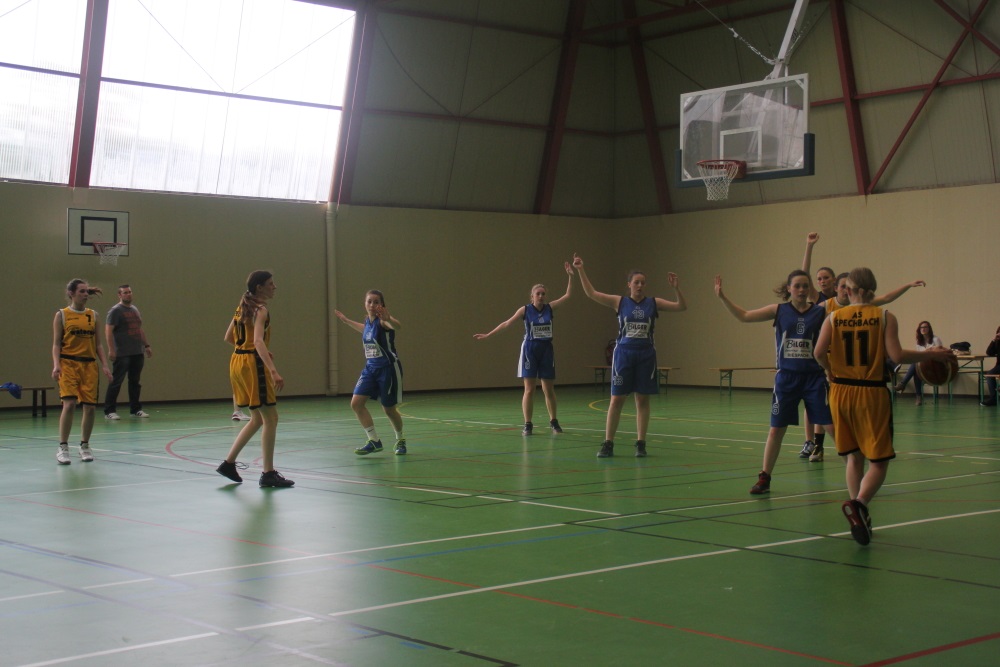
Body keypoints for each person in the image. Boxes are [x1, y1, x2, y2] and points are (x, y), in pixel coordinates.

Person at [814, 267, 954, 545]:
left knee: (853, 457)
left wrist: (829, 370)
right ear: (873, 290)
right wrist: (932, 354)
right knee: (878, 461)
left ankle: (860, 517)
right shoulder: (884, 316)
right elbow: (897, 355)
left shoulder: (833, 317)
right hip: (870, 393)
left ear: (849, 290)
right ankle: (860, 504)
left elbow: (818, 353)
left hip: (840, 391)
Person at [714, 271, 833, 492]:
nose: (801, 290)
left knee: (831, 427)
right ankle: (765, 477)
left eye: (805, 286)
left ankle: (854, 468)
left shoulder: (820, 313)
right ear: (788, 288)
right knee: (776, 430)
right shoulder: (779, 311)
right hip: (786, 378)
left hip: (814, 379)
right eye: (797, 286)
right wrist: (722, 297)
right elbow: (745, 316)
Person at [573, 254, 686, 458]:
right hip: (624, 354)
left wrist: (676, 288)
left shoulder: (653, 302)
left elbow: (681, 306)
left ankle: (641, 443)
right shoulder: (620, 302)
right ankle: (608, 443)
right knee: (616, 399)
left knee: (642, 400)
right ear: (629, 284)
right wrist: (581, 269)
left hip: (646, 354)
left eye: (643, 282)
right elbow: (591, 293)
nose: (640, 285)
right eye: (636, 282)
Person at [474, 262, 574, 435]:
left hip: (546, 350)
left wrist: (571, 276)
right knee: (529, 388)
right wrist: (489, 334)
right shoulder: (525, 310)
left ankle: (554, 421)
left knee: (548, 389)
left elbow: (568, 296)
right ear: (532, 296)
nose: (541, 296)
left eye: (543, 294)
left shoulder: (550, 308)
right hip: (530, 349)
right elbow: (507, 323)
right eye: (538, 294)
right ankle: (528, 424)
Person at [216, 271, 294, 487]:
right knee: (271, 418)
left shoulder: (242, 307)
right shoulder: (261, 310)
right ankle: (268, 473)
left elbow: (229, 337)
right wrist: (273, 370)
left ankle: (228, 463)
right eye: (271, 283)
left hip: (237, 362)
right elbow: (258, 342)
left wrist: (251, 348)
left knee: (257, 418)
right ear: (260, 287)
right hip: (252, 365)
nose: (275, 287)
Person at [335, 290, 406, 455]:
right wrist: (346, 321)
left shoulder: (383, 322)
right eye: (369, 301)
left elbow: (397, 326)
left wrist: (390, 319)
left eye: (376, 302)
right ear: (365, 304)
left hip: (388, 368)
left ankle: (400, 439)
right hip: (370, 369)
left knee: (388, 409)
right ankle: (374, 441)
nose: (372, 305)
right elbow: (364, 330)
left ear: (381, 305)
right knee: (356, 404)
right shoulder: (368, 322)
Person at [51, 279, 114, 464]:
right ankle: (63, 447)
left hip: (89, 365)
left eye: (87, 291)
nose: (86, 294)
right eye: (82, 291)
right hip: (68, 363)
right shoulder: (62, 315)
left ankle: (85, 445)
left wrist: (104, 365)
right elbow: (56, 344)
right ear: (71, 293)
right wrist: (56, 364)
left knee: (90, 407)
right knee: (69, 404)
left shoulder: (93, 315)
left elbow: (99, 344)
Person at [103, 284, 152, 420]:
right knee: (116, 381)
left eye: (130, 292)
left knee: (135, 382)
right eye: (125, 292)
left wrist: (146, 345)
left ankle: (135, 409)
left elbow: (138, 328)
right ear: (120, 295)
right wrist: (112, 350)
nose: (128, 294)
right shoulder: (115, 311)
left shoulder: (135, 309)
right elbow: (108, 331)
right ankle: (109, 410)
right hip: (122, 353)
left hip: (137, 351)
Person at [893, 321, 944, 405]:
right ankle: (918, 398)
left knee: (916, 364)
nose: (923, 329)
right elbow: (918, 355)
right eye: (921, 327)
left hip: (934, 366)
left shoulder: (936, 339)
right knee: (916, 369)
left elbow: (939, 354)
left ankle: (904, 384)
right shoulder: (919, 341)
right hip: (922, 367)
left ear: (929, 329)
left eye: (925, 327)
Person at [982, 325, 1000, 407]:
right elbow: (989, 352)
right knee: (989, 374)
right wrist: (994, 340)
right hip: (999, 366)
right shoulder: (998, 342)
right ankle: (994, 398)